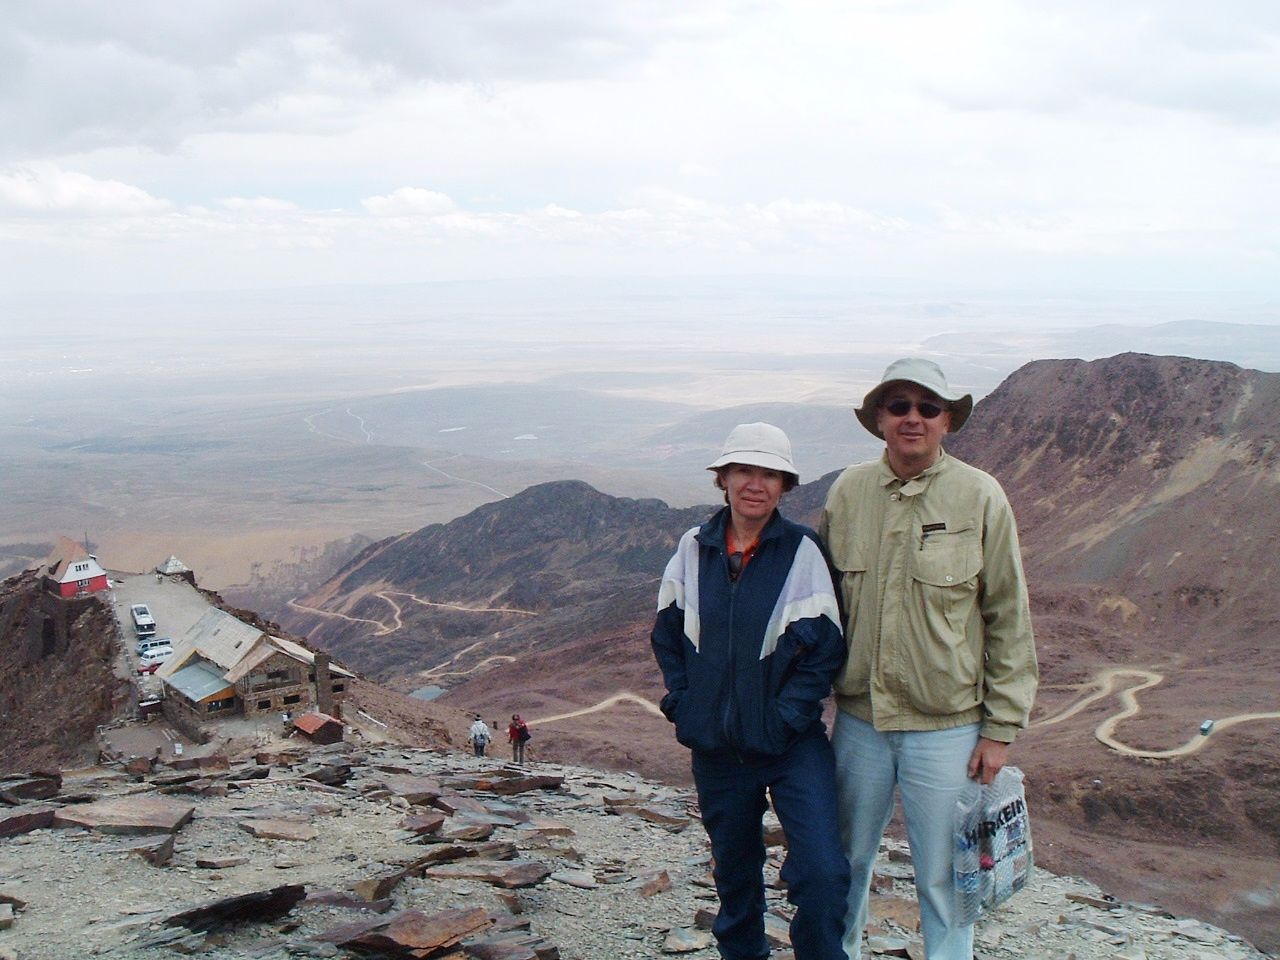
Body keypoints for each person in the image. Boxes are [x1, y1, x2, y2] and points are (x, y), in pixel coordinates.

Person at [819, 359, 1039, 960]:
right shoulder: (848, 492)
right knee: (843, 865)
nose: (913, 418)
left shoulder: (979, 496)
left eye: (927, 407)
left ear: (947, 421)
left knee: (944, 878)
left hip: (947, 729)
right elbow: (821, 609)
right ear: (880, 419)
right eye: (899, 406)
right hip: (860, 723)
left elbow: (1008, 616)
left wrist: (1000, 729)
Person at [651, 422, 850, 960]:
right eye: (744, 470)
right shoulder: (693, 549)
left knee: (824, 873)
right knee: (736, 879)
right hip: (717, 748)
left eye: (769, 473)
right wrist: (683, 704)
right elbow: (668, 635)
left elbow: (826, 649)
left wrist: (786, 717)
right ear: (724, 479)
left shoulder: (804, 551)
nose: (755, 483)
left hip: (791, 746)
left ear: (784, 484)